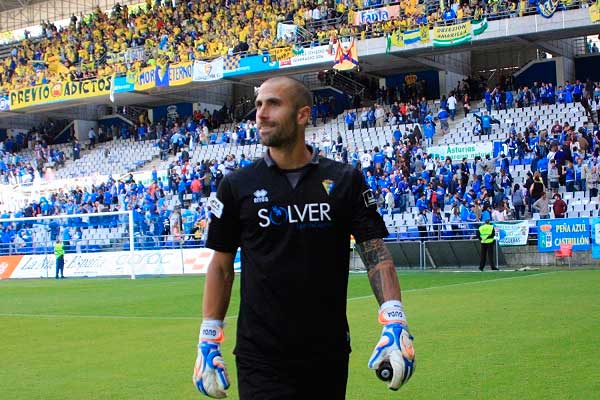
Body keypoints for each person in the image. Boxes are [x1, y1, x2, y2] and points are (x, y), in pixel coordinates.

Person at [193, 77, 415, 399]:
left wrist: (395, 319)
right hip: (260, 356)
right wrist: (208, 337)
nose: (261, 113)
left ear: (302, 115)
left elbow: (375, 252)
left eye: (273, 104)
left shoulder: (345, 180)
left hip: (327, 352)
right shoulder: (236, 185)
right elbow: (221, 266)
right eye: (258, 105)